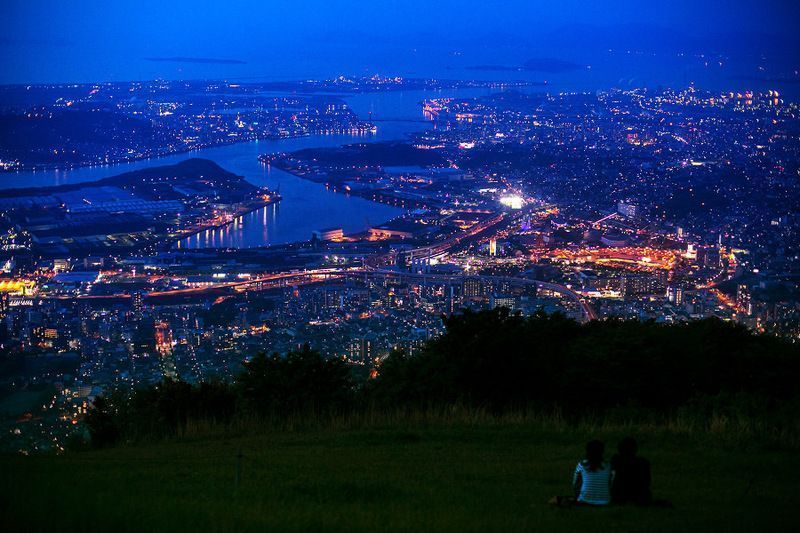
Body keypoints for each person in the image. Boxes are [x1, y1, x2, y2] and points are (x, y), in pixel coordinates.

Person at [611, 437, 652, 505]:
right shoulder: (644, 462)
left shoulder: (616, 461)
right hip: (640, 497)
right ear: (635, 449)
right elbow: (648, 481)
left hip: (620, 496)